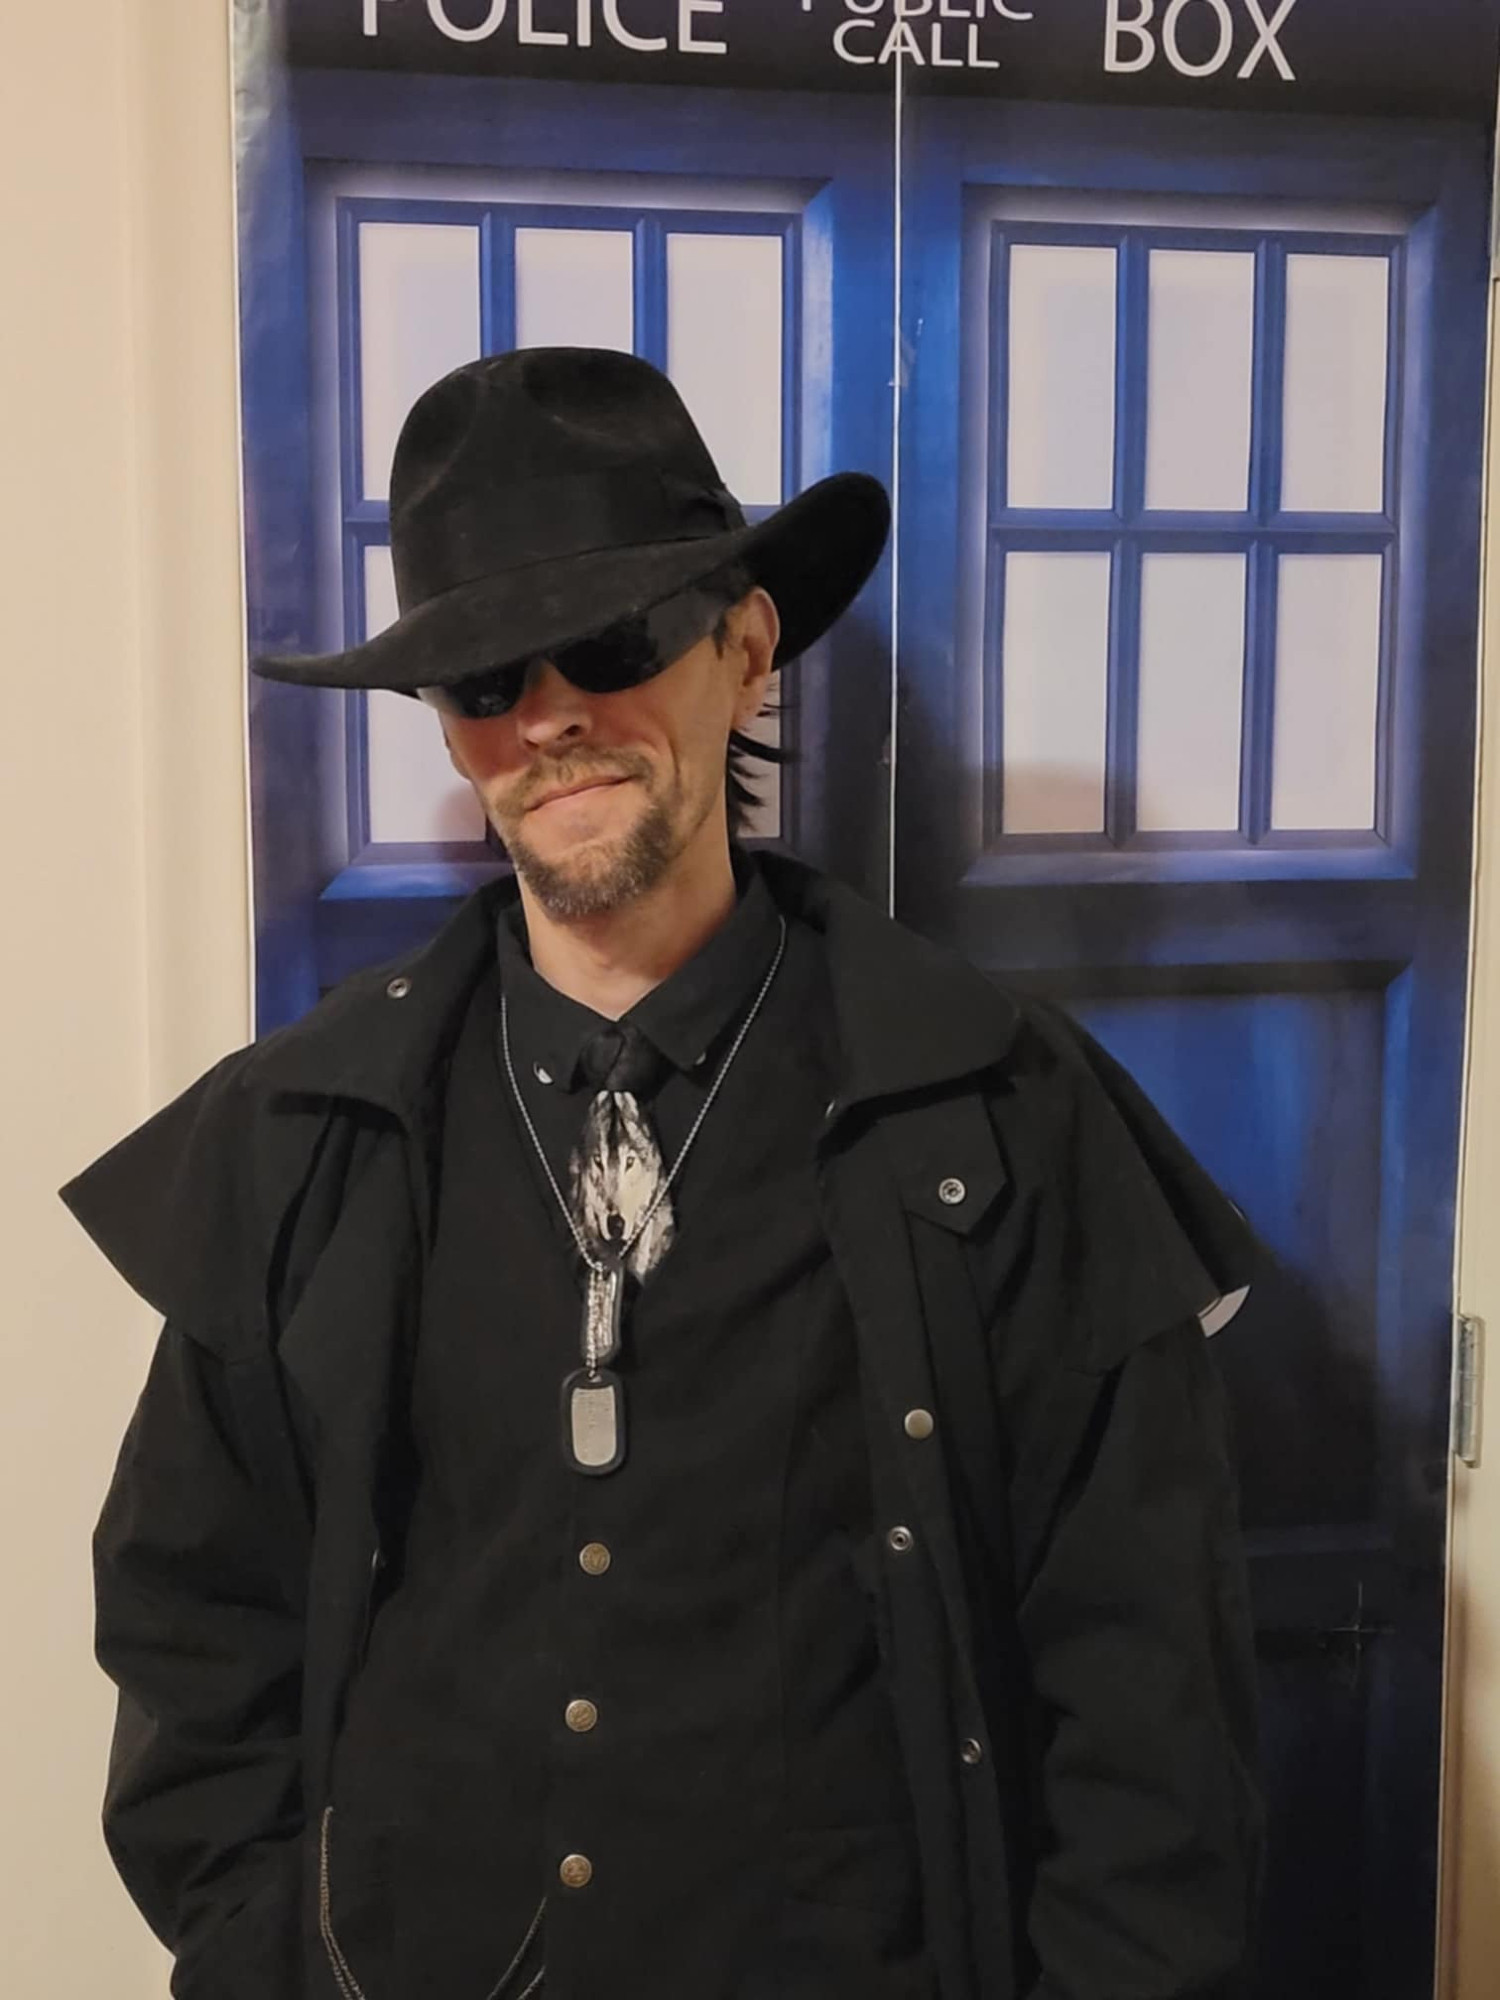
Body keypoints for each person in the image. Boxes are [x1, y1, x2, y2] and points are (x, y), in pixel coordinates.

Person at [63, 348, 1263, 2000]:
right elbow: (193, 1629)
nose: (549, 715)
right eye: (486, 679)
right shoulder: (308, 1136)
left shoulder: (995, 1112)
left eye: (613, 645)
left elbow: (1151, 1699)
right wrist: (280, 1954)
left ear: (745, 651)